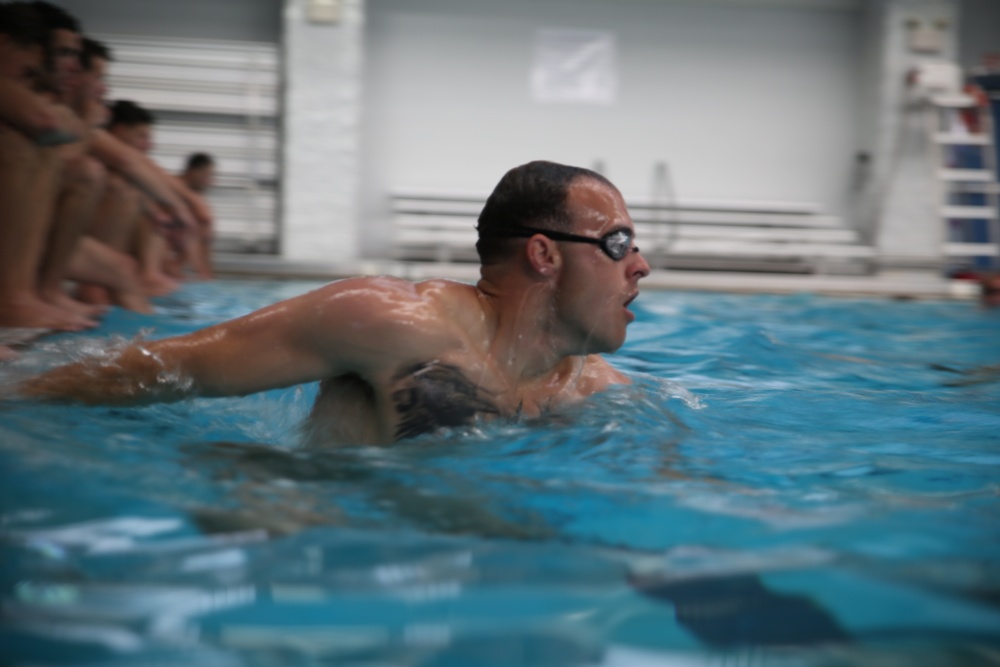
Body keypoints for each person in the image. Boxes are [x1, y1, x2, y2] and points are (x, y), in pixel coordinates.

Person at [20, 161, 652, 445]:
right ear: (544, 255)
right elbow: (169, 366)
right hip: (302, 521)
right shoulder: (391, 323)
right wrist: (21, 396)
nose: (641, 264)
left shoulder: (590, 387)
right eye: (618, 242)